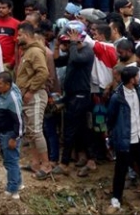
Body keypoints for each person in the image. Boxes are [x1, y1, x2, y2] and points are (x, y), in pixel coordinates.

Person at [106, 66, 140, 214]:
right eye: (137, 76)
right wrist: (112, 137)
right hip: (125, 139)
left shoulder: (138, 90)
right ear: (131, 79)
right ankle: (116, 198)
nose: (139, 78)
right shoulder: (117, 97)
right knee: (120, 170)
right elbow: (110, 118)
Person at [53, 22, 96, 176]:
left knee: (70, 131)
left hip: (80, 96)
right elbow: (57, 61)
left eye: (67, 42)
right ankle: (91, 159)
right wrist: (58, 46)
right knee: (82, 129)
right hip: (71, 96)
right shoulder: (74, 51)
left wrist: (72, 43)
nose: (66, 46)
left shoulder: (86, 52)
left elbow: (77, 59)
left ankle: (64, 163)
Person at [15, 22, 52, 179]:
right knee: (31, 131)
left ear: (26, 35)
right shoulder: (28, 52)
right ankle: (35, 163)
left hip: (35, 95)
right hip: (28, 95)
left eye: (19, 35)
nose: (17, 38)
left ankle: (46, 165)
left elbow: (43, 73)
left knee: (36, 131)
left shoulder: (35, 52)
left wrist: (30, 90)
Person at [0, 71, 24, 200]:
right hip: (1, 133)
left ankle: (13, 190)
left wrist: (15, 138)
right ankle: (18, 182)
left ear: (8, 85)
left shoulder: (12, 99)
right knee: (9, 160)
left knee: (11, 161)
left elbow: (19, 121)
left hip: (10, 133)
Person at [0, 0, 21, 70]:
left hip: (8, 63)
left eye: (3, 8)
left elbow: (18, 45)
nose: (0, 10)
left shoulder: (16, 24)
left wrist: (12, 62)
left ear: (10, 9)